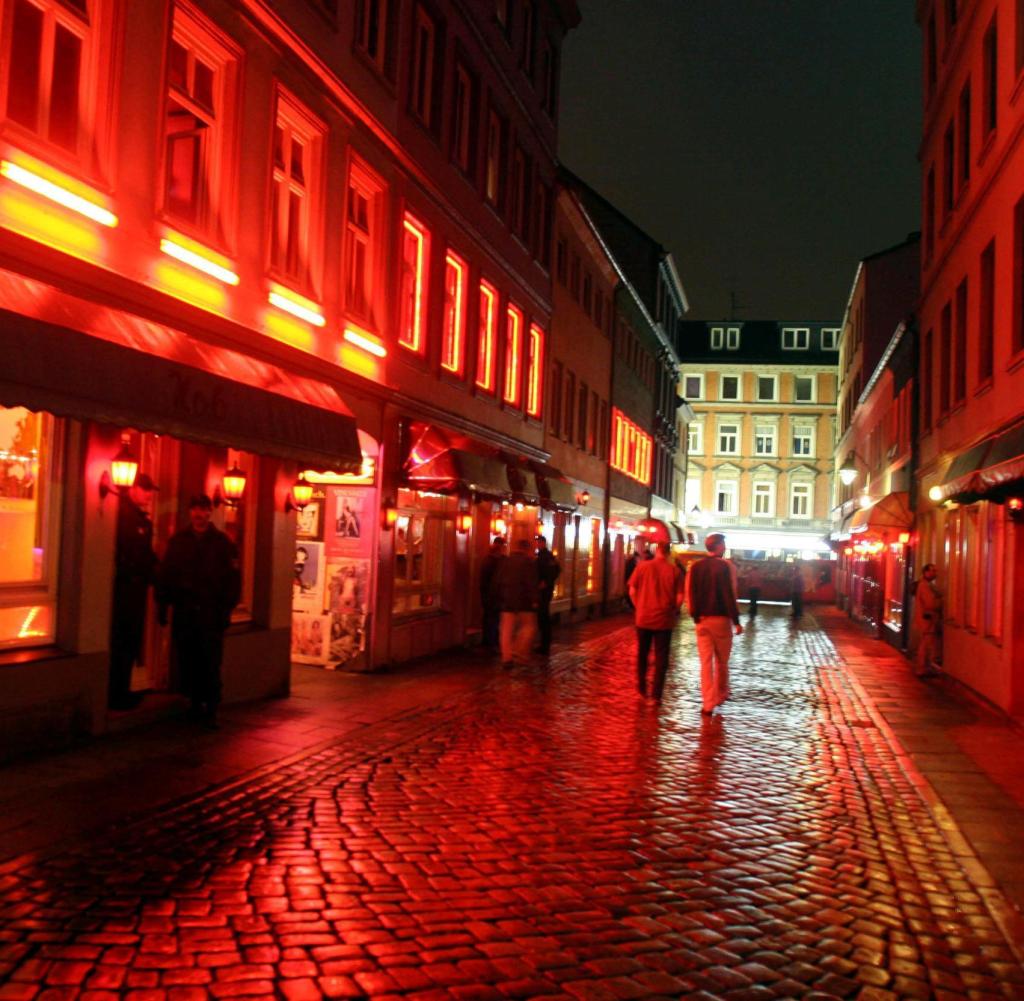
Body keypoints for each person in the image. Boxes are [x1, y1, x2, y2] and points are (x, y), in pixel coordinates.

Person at [157, 494, 241, 728]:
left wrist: (225, 609)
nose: (198, 514)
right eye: (195, 509)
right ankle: (194, 703)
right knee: (189, 659)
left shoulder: (222, 543)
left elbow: (233, 580)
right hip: (186, 612)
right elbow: (167, 574)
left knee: (210, 662)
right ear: (190, 512)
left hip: (211, 613)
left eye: (203, 510)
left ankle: (211, 707)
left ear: (209, 513)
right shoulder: (179, 541)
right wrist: (163, 604)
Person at [108, 473, 160, 710]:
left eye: (150, 490)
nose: (149, 495)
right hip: (125, 591)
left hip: (135, 590)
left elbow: (146, 557)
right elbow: (133, 555)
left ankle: (122, 689)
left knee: (129, 640)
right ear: (133, 489)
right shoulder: (123, 516)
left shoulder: (138, 519)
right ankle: (116, 693)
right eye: (145, 489)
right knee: (123, 639)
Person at [686, 533, 743, 715]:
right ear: (717, 546)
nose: (725, 547)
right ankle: (721, 693)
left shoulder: (695, 567)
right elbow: (729, 594)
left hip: (702, 620)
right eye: (723, 544)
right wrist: (736, 621)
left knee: (705, 663)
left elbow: (691, 592)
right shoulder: (726, 567)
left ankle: (707, 703)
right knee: (722, 660)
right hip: (720, 618)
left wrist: (695, 615)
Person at [629, 542, 686, 700]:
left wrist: (639, 606)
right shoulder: (674, 571)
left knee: (643, 653)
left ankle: (641, 687)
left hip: (643, 618)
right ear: (668, 552)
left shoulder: (642, 567)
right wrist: (674, 609)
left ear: (656, 550)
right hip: (664, 619)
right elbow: (680, 596)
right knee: (662, 656)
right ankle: (656, 694)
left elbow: (632, 590)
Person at [494, 538, 538, 667]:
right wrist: (534, 599)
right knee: (529, 626)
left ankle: (506, 658)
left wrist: (497, 597)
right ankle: (518, 649)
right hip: (524, 602)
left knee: (505, 630)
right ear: (526, 549)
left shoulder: (505, 562)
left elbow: (497, 580)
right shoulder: (528, 563)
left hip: (507, 601)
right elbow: (531, 583)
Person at [913, 563, 942, 678]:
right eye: (933, 571)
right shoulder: (925, 586)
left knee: (925, 644)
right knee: (926, 645)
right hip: (927, 620)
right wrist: (940, 602)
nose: (935, 573)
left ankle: (923, 667)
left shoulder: (924, 585)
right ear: (926, 572)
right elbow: (930, 604)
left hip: (925, 620)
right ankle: (922, 669)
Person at [534, 535, 561, 655]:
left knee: (543, 617)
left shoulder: (546, 556)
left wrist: (546, 582)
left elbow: (556, 570)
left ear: (543, 543)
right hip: (543, 590)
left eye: (539, 543)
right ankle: (544, 643)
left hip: (544, 591)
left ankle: (545, 644)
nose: (538, 545)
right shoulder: (542, 556)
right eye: (537, 543)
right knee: (542, 617)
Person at [479, 536, 507, 649]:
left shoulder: (488, 560)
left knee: (489, 618)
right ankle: (492, 641)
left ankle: (488, 641)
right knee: (494, 619)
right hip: (495, 596)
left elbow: (483, 581)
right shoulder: (498, 562)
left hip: (489, 595)